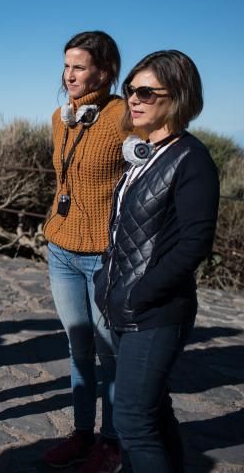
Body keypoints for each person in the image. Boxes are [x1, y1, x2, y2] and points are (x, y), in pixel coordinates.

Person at [94, 50, 218, 472]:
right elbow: (124, 232)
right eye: (131, 89)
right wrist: (105, 281)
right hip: (129, 307)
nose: (134, 98)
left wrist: (139, 294)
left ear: (178, 95)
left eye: (147, 91)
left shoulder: (191, 158)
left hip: (157, 311)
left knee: (131, 420)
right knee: (153, 409)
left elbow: (194, 243)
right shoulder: (147, 153)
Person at [42, 31, 126, 472]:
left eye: (79, 67)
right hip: (62, 249)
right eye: (66, 66)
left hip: (104, 255)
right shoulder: (61, 117)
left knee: (109, 351)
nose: (69, 75)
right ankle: (81, 434)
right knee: (78, 348)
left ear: (103, 71)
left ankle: (111, 443)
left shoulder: (122, 116)